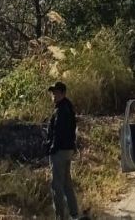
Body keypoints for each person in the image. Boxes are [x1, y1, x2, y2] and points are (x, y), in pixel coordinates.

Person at [46, 81, 86, 220]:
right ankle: (74, 215)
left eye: (56, 93)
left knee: (56, 186)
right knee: (66, 184)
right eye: (52, 93)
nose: (53, 95)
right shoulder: (67, 106)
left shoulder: (62, 110)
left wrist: (52, 148)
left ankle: (61, 217)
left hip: (60, 151)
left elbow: (59, 132)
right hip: (67, 150)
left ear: (63, 93)